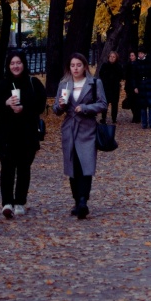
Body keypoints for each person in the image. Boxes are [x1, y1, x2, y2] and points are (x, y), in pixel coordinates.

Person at [0, 50, 47, 219]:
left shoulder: (33, 83)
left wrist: (24, 109)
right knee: (6, 168)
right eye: (12, 63)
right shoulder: (3, 84)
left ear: (24, 64)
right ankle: (7, 203)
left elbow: (40, 105)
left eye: (18, 63)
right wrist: (6, 103)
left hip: (27, 133)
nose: (15, 66)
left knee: (23, 168)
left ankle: (20, 201)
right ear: (8, 65)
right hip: (6, 134)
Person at [52, 52, 106, 219]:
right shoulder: (64, 84)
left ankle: (83, 200)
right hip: (69, 129)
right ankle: (76, 200)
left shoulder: (94, 83)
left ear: (85, 66)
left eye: (79, 65)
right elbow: (55, 109)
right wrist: (61, 106)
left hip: (87, 129)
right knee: (73, 166)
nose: (75, 68)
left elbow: (103, 104)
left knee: (86, 165)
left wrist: (85, 108)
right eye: (72, 65)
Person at [132, 49, 151, 129]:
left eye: (141, 53)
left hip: (150, 85)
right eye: (139, 53)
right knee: (143, 106)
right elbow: (134, 77)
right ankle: (144, 123)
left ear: (145, 54)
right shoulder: (136, 64)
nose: (140, 55)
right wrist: (135, 87)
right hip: (141, 86)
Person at [97, 50, 124, 124]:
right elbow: (101, 74)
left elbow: (121, 75)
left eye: (113, 57)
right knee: (105, 103)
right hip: (106, 87)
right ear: (108, 57)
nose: (112, 58)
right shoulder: (105, 65)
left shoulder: (118, 66)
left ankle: (114, 118)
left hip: (115, 87)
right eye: (111, 57)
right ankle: (103, 117)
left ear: (116, 58)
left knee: (115, 104)